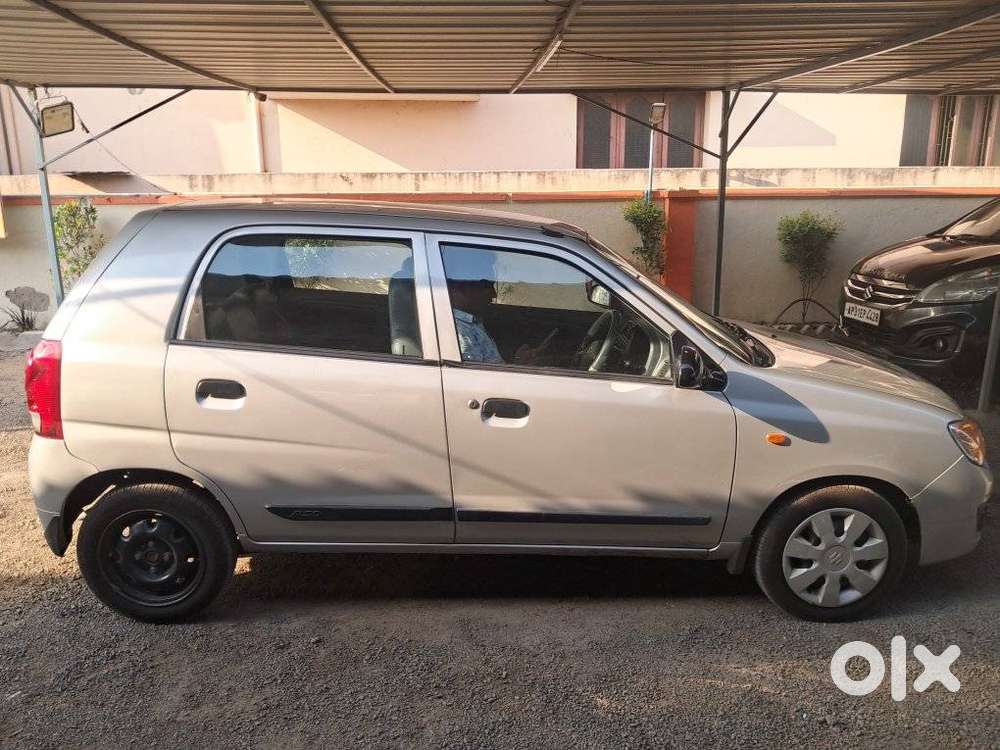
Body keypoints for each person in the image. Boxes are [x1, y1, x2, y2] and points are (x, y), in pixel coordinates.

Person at [448, 277, 556, 365]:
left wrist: (518, 364)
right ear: (461, 288)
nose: (493, 294)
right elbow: (478, 382)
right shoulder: (460, 331)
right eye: (487, 286)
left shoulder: (472, 323)